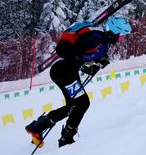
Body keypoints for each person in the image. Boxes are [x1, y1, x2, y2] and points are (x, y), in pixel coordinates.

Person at [26, 16, 132, 148]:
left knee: (74, 106)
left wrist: (95, 65)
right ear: (114, 31)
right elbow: (67, 51)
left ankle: (38, 127)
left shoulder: (102, 42)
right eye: (122, 35)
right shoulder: (96, 37)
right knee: (82, 103)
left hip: (67, 72)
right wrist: (88, 64)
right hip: (63, 72)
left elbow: (81, 60)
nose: (122, 39)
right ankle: (64, 138)